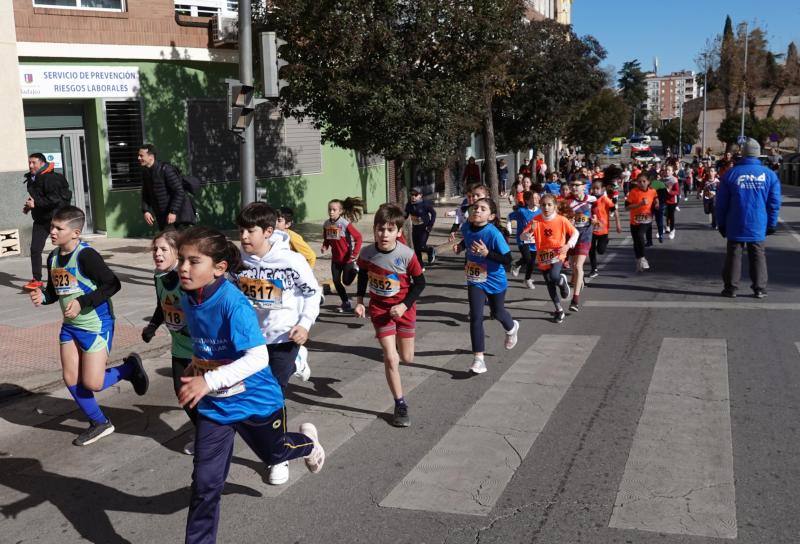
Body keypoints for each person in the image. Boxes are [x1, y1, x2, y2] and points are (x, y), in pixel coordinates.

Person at [175, 226, 323, 543]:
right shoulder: (188, 296)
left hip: (256, 401)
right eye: (181, 260)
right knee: (205, 484)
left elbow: (257, 358)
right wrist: (198, 365)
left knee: (275, 454)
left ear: (219, 268)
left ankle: (309, 443)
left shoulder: (234, 304)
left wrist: (208, 380)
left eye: (193, 261)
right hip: (216, 406)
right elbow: (208, 342)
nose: (184, 268)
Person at [29, 206, 149, 446]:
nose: (52, 231)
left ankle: (129, 368)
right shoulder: (53, 257)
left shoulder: (87, 256)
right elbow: (55, 293)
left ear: (75, 232)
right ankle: (100, 422)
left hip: (96, 324)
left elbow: (113, 284)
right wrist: (43, 297)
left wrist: (83, 301)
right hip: (70, 326)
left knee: (92, 382)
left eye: (58, 228)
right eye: (52, 226)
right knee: (71, 377)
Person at [233, 203, 322, 485]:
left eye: (251, 231)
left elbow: (312, 293)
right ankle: (299, 361)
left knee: (272, 397)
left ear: (269, 232)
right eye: (242, 230)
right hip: (252, 341)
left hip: (284, 338)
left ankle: (279, 457)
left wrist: (305, 325)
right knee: (249, 394)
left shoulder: (291, 261)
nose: (245, 236)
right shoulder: (240, 263)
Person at [354, 205, 426, 427]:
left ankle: (396, 340)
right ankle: (400, 403)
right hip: (380, 309)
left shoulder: (406, 255)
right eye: (379, 229)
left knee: (407, 358)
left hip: (403, 309)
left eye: (389, 229)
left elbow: (420, 283)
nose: (384, 234)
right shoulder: (367, 253)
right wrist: (359, 301)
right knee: (391, 357)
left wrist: (404, 305)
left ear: (398, 232)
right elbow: (364, 276)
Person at [141, 230, 196, 455]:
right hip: (180, 347)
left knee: (209, 395)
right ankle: (205, 430)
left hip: (201, 348)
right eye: (155, 249)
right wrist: (152, 327)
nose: (158, 253)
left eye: (164, 249)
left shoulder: (188, 277)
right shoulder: (158, 276)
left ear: (177, 252)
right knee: (182, 392)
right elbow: (162, 305)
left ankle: (211, 434)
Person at [453, 198, 520, 374]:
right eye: (476, 207)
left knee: (497, 312)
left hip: (495, 279)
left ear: (490, 216)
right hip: (475, 278)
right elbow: (467, 240)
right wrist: (460, 247)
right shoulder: (467, 227)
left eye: (483, 209)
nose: (477, 210)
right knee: (476, 316)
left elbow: (508, 260)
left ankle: (512, 328)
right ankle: (478, 359)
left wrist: (487, 253)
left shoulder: (494, 234)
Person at [715, 138, 781, 299]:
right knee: (758, 254)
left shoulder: (731, 174)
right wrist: (772, 223)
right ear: (759, 154)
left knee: (734, 255)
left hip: (735, 221)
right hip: (758, 222)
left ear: (743, 154)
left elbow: (721, 203)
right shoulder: (769, 175)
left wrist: (721, 223)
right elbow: (774, 203)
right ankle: (759, 288)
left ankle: (731, 288)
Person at [523, 194, 578, 323]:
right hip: (543, 255)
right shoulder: (535, 221)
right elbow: (522, 237)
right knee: (549, 282)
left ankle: (561, 282)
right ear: (540, 206)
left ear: (555, 206)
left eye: (549, 205)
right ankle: (559, 310)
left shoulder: (562, 220)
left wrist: (568, 245)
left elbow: (575, 232)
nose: (546, 207)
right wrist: (527, 233)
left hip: (558, 253)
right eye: (543, 205)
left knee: (554, 276)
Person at [23, 152, 71, 290]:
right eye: (29, 163)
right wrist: (29, 207)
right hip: (41, 219)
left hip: (56, 218)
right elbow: (38, 197)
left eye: (34, 162)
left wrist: (35, 204)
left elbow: (54, 200)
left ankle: (72, 275)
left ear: (42, 163)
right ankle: (37, 280)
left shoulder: (51, 179)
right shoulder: (33, 178)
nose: (31, 165)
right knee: (35, 249)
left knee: (65, 248)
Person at [138, 143, 196, 231]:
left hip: (177, 216)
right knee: (167, 241)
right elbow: (146, 194)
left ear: (151, 156)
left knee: (180, 242)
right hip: (162, 216)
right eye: (138, 155)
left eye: (141, 156)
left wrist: (173, 212)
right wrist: (145, 211)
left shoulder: (166, 170)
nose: (138, 158)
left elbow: (179, 191)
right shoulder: (146, 173)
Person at [321, 197, 363, 312]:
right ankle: (345, 302)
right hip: (335, 259)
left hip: (347, 259)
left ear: (341, 211)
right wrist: (325, 246)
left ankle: (355, 270)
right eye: (330, 209)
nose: (331, 212)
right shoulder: (326, 224)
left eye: (334, 210)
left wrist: (354, 254)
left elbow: (358, 237)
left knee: (347, 282)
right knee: (336, 281)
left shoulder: (345, 224)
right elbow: (327, 239)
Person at [566, 179, 596, 312]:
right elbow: (563, 218)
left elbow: (597, 217)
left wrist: (595, 220)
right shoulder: (567, 201)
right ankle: (579, 278)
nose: (574, 187)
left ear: (584, 187)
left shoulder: (592, 199)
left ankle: (575, 300)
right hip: (572, 236)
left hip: (585, 236)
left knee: (578, 266)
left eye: (577, 185)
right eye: (572, 185)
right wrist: (568, 220)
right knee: (574, 267)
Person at [507, 190, 541, 290]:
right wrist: (509, 229)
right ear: (527, 201)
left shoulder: (540, 211)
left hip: (534, 241)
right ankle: (516, 264)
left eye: (537, 197)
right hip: (522, 239)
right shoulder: (522, 211)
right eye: (533, 198)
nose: (536, 200)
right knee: (527, 258)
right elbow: (509, 216)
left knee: (531, 262)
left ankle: (527, 279)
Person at [625, 173, 658, 272]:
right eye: (639, 182)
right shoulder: (633, 192)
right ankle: (638, 260)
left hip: (646, 219)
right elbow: (627, 207)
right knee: (636, 242)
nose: (642, 183)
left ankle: (643, 258)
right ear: (636, 183)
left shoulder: (652, 191)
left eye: (644, 181)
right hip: (634, 220)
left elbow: (655, 198)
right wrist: (640, 204)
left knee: (640, 235)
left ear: (648, 182)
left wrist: (657, 203)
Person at [589, 180, 621, 278]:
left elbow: (614, 211)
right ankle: (594, 269)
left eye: (597, 188)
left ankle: (606, 240)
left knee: (601, 251)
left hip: (603, 230)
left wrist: (618, 224)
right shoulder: (590, 199)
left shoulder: (605, 199)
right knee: (591, 250)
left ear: (603, 189)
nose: (595, 190)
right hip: (591, 229)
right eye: (593, 188)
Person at [404, 188, 438, 267]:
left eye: (416, 195)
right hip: (415, 228)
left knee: (421, 246)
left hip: (425, 228)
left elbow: (434, 213)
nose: (413, 197)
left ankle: (430, 250)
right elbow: (406, 215)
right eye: (412, 195)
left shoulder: (425, 204)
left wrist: (430, 225)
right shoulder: (409, 205)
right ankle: (420, 266)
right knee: (416, 249)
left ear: (420, 195)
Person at [663, 166, 681, 239]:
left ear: (672, 172)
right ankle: (667, 227)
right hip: (664, 200)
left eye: (669, 170)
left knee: (671, 216)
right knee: (666, 215)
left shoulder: (674, 180)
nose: (667, 171)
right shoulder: (663, 179)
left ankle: (672, 230)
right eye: (666, 170)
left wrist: (669, 191)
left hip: (672, 201)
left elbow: (677, 191)